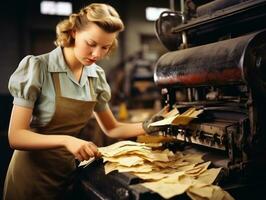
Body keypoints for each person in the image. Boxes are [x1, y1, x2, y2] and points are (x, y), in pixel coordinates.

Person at [3, 3, 166, 200]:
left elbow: (112, 129)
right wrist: (66, 140)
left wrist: (152, 125)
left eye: (105, 47)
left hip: (68, 174)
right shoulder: (38, 68)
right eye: (91, 43)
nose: (97, 54)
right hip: (30, 179)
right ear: (73, 32)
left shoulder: (95, 76)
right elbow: (16, 136)